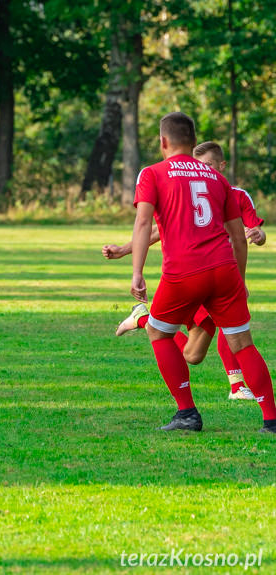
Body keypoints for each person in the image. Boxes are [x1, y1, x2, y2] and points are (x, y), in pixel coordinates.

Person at [128, 112, 275, 433]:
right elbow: (238, 237)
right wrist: (240, 279)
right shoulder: (219, 179)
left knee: (158, 333)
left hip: (184, 271)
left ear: (163, 142)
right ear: (194, 143)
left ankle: (187, 413)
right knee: (242, 343)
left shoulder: (153, 173)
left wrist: (137, 271)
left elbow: (143, 223)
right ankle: (271, 420)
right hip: (225, 270)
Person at [106, 141, 266, 401]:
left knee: (194, 354)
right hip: (193, 275)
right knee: (229, 332)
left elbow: (249, 232)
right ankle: (236, 386)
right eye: (199, 165)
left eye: (209, 166)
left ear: (221, 166)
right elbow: (154, 228)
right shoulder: (181, 183)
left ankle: (142, 319)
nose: (202, 170)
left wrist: (258, 237)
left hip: (220, 275)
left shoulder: (233, 193)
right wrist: (125, 250)